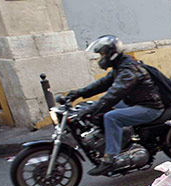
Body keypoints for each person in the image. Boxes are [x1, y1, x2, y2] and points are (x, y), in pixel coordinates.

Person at [65, 35, 165, 176]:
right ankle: (123, 140)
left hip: (150, 107)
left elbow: (114, 94)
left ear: (111, 53)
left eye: (103, 54)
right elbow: (102, 84)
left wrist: (91, 110)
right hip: (135, 102)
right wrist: (78, 93)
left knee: (112, 117)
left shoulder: (129, 70)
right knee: (101, 110)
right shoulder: (120, 66)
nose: (101, 58)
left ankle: (110, 159)